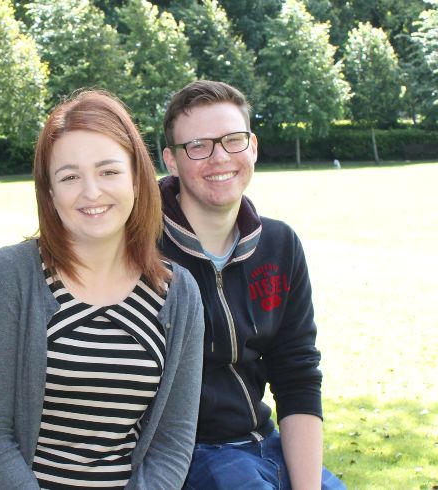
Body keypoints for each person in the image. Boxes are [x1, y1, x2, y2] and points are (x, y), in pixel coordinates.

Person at [0, 90, 205, 489]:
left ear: (138, 180)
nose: (91, 192)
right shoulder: (8, 277)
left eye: (108, 171)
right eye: (70, 176)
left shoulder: (179, 294)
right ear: (50, 193)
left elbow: (172, 443)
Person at [160, 80, 345, 489]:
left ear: (254, 147)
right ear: (171, 161)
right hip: (190, 456)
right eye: (199, 146)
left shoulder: (279, 245)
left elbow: (297, 374)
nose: (219, 156)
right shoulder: (143, 249)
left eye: (233, 140)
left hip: (266, 443)